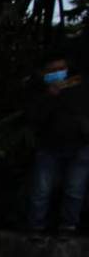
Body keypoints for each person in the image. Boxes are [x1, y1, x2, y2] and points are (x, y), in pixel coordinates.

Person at [26, 54, 89, 238]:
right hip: (49, 146)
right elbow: (34, 117)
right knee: (41, 190)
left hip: (80, 146)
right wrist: (49, 96)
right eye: (52, 70)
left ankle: (68, 227)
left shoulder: (80, 86)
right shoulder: (38, 89)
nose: (57, 74)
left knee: (74, 190)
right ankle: (36, 228)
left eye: (60, 69)